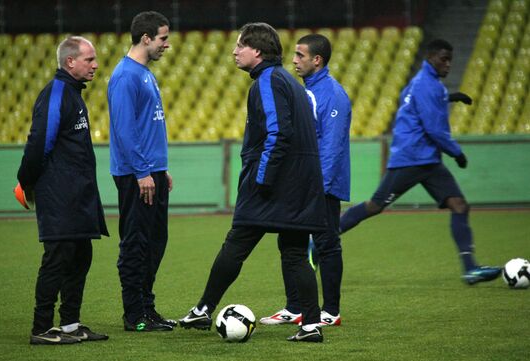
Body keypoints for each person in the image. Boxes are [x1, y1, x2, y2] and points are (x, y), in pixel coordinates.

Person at [178, 22, 327, 342]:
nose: (234, 52)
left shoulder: (267, 81)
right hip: (301, 183)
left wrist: (261, 179)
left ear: (256, 51)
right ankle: (311, 326)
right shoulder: (289, 81)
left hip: (274, 185)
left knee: (236, 243)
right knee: (295, 253)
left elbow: (278, 132)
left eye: (239, 46)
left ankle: (203, 310)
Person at [338, 39, 502, 285]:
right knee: (375, 206)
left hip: (426, 160)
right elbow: (434, 129)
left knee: (459, 205)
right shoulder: (428, 85)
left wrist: (448, 97)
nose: (447, 65)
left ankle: (470, 268)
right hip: (412, 158)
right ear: (431, 57)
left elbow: (411, 102)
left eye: (450, 60)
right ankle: (322, 239)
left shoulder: (421, 83)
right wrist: (457, 153)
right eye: (443, 59)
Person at [17, 36, 109, 345]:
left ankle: (70, 323)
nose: (95, 65)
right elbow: (39, 142)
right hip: (59, 193)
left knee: (81, 256)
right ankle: (41, 327)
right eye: (89, 59)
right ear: (70, 62)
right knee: (57, 257)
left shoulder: (71, 93)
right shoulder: (56, 93)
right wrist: (25, 181)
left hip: (78, 193)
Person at [260, 34, 351, 327]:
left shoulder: (333, 94)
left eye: (300, 55)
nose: (294, 60)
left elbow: (332, 147)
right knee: (290, 243)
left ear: (317, 60)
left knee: (327, 244)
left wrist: (317, 188)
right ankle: (295, 307)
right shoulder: (305, 90)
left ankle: (332, 311)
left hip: (322, 185)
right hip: (302, 183)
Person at [107, 11, 176, 332]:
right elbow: (123, 130)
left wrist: (160, 170)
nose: (167, 44)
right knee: (135, 243)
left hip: (152, 172)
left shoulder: (145, 73)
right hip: (137, 175)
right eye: (163, 38)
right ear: (146, 38)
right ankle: (134, 314)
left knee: (155, 243)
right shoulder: (125, 76)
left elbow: (147, 127)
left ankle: (147, 308)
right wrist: (142, 172)